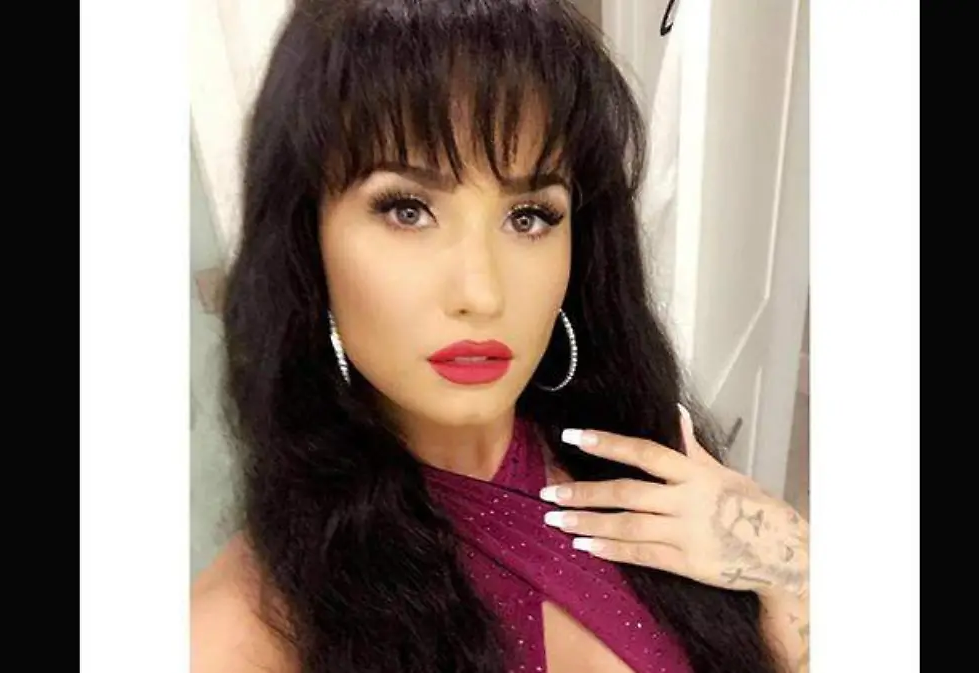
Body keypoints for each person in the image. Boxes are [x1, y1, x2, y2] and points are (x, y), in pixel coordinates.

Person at [190, 1, 809, 672]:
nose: (483, 292)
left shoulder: (643, 456)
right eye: (407, 209)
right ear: (306, 241)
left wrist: (789, 560)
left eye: (529, 215)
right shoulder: (237, 637)